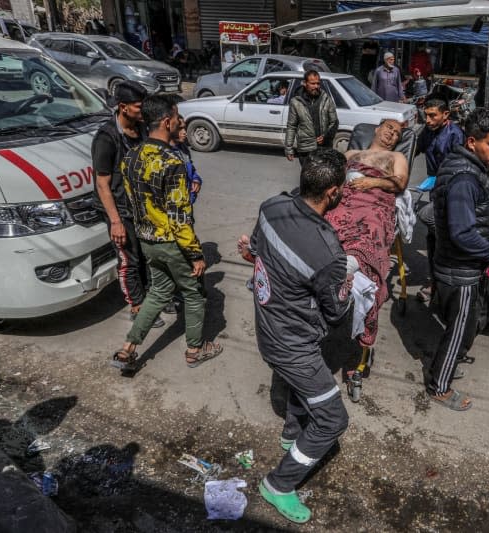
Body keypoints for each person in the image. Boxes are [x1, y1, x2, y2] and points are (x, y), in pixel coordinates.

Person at [238, 149, 352, 524]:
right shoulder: (327, 251)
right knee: (333, 420)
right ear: (332, 192)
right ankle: (278, 485)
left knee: (301, 387)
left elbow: (255, 251)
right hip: (294, 344)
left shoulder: (271, 206)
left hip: (268, 329)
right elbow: (335, 313)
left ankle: (292, 435)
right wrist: (347, 285)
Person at [111, 95, 223, 371]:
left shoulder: (131, 156)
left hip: (147, 240)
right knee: (195, 295)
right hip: (172, 243)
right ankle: (195, 350)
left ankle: (129, 347)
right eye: (175, 117)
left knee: (158, 292)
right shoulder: (171, 163)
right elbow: (179, 218)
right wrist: (196, 254)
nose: (178, 121)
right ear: (166, 122)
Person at [427, 108, 489, 411]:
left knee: (467, 323)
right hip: (459, 269)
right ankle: (439, 386)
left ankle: (447, 363)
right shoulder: (465, 176)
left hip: (460, 266)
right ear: (472, 142)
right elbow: (463, 232)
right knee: (460, 329)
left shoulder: (468, 167)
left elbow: (468, 215)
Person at [324, 119, 408, 348]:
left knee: (370, 226)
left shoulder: (396, 158)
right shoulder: (351, 153)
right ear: (377, 129)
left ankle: (350, 265)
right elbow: (331, 175)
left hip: (373, 200)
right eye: (389, 128)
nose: (392, 134)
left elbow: (399, 183)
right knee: (322, 220)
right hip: (345, 195)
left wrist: (371, 181)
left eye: (397, 134)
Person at [91, 80, 165, 328]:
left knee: (146, 256)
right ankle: (137, 307)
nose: (142, 110)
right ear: (123, 107)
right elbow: (102, 183)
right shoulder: (107, 137)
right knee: (129, 260)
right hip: (120, 210)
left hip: (141, 207)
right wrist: (115, 222)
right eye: (137, 106)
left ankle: (150, 298)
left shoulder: (141, 128)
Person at [415, 98, 466, 304]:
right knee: (433, 237)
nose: (427, 120)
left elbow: (459, 167)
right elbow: (414, 149)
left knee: (446, 238)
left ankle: (442, 284)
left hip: (451, 193)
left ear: (446, 115)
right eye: (426, 115)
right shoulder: (428, 131)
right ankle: (434, 280)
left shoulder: (455, 135)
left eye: (432, 115)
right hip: (435, 190)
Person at [284, 70, 338, 167]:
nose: (316, 86)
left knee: (323, 177)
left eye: (318, 83)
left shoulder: (326, 99)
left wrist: (325, 136)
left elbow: (334, 122)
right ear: (305, 83)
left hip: (324, 148)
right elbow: (291, 126)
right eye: (312, 83)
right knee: (307, 177)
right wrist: (289, 148)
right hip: (306, 148)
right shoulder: (296, 102)